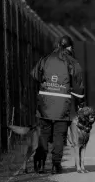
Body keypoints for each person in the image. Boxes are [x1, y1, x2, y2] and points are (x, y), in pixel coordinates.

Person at [30, 35, 85, 174]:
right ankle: (56, 165)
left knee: (43, 134)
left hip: (44, 103)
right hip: (62, 105)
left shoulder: (45, 58)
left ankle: (40, 164)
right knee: (59, 136)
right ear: (69, 47)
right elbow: (79, 88)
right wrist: (80, 103)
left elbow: (35, 75)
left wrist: (46, 85)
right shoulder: (72, 62)